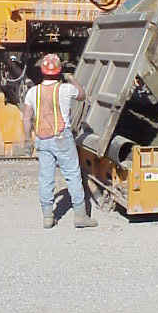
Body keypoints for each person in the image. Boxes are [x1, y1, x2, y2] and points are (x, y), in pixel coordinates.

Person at [23, 53, 98, 229]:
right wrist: (72, 78)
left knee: (46, 178)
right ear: (59, 72)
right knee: (73, 175)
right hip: (62, 138)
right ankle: (80, 217)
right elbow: (82, 95)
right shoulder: (66, 89)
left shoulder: (33, 92)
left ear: (42, 71)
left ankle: (48, 217)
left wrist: (27, 140)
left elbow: (27, 118)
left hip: (42, 138)